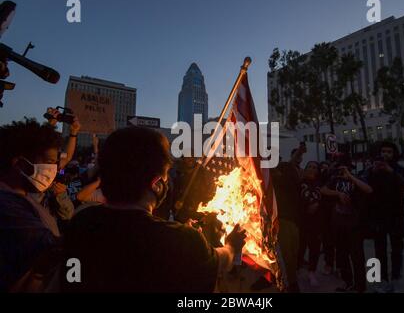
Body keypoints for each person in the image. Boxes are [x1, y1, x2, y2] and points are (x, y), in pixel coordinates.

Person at [60, 127, 246, 292]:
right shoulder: (184, 240)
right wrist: (231, 245)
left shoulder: (80, 224)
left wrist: (177, 233)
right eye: (165, 176)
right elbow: (220, 262)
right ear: (157, 184)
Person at [0, 118, 62, 291]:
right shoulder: (6, 205)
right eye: (49, 163)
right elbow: (52, 249)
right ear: (19, 163)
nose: (53, 170)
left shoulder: (24, 198)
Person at [366, 141, 404, 292]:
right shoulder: (373, 169)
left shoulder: (399, 169)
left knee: (397, 248)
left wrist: (391, 171)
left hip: (396, 214)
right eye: (383, 151)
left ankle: (396, 279)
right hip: (378, 215)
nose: (386, 154)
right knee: (379, 249)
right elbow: (366, 188)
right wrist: (373, 171)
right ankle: (380, 279)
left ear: (394, 154)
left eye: (389, 152)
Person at [322, 161, 373, 293]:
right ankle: (347, 282)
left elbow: (368, 190)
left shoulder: (357, 179)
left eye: (346, 169)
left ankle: (360, 286)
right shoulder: (334, 180)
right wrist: (338, 194)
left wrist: (350, 176)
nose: (342, 172)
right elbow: (323, 189)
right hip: (338, 223)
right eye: (341, 169)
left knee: (357, 257)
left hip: (354, 225)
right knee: (342, 255)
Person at [271, 145, 305, 292]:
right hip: (279, 219)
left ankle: (288, 279)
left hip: (293, 217)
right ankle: (290, 283)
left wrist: (299, 151)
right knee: (284, 253)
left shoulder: (286, 167)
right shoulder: (265, 173)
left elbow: (293, 161)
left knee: (293, 251)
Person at [297, 161, 322, 287]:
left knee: (314, 248)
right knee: (299, 248)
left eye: (315, 167)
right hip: (301, 222)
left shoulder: (320, 184)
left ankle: (311, 272)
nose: (312, 169)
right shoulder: (299, 183)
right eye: (310, 167)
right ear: (305, 169)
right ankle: (296, 270)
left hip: (316, 223)